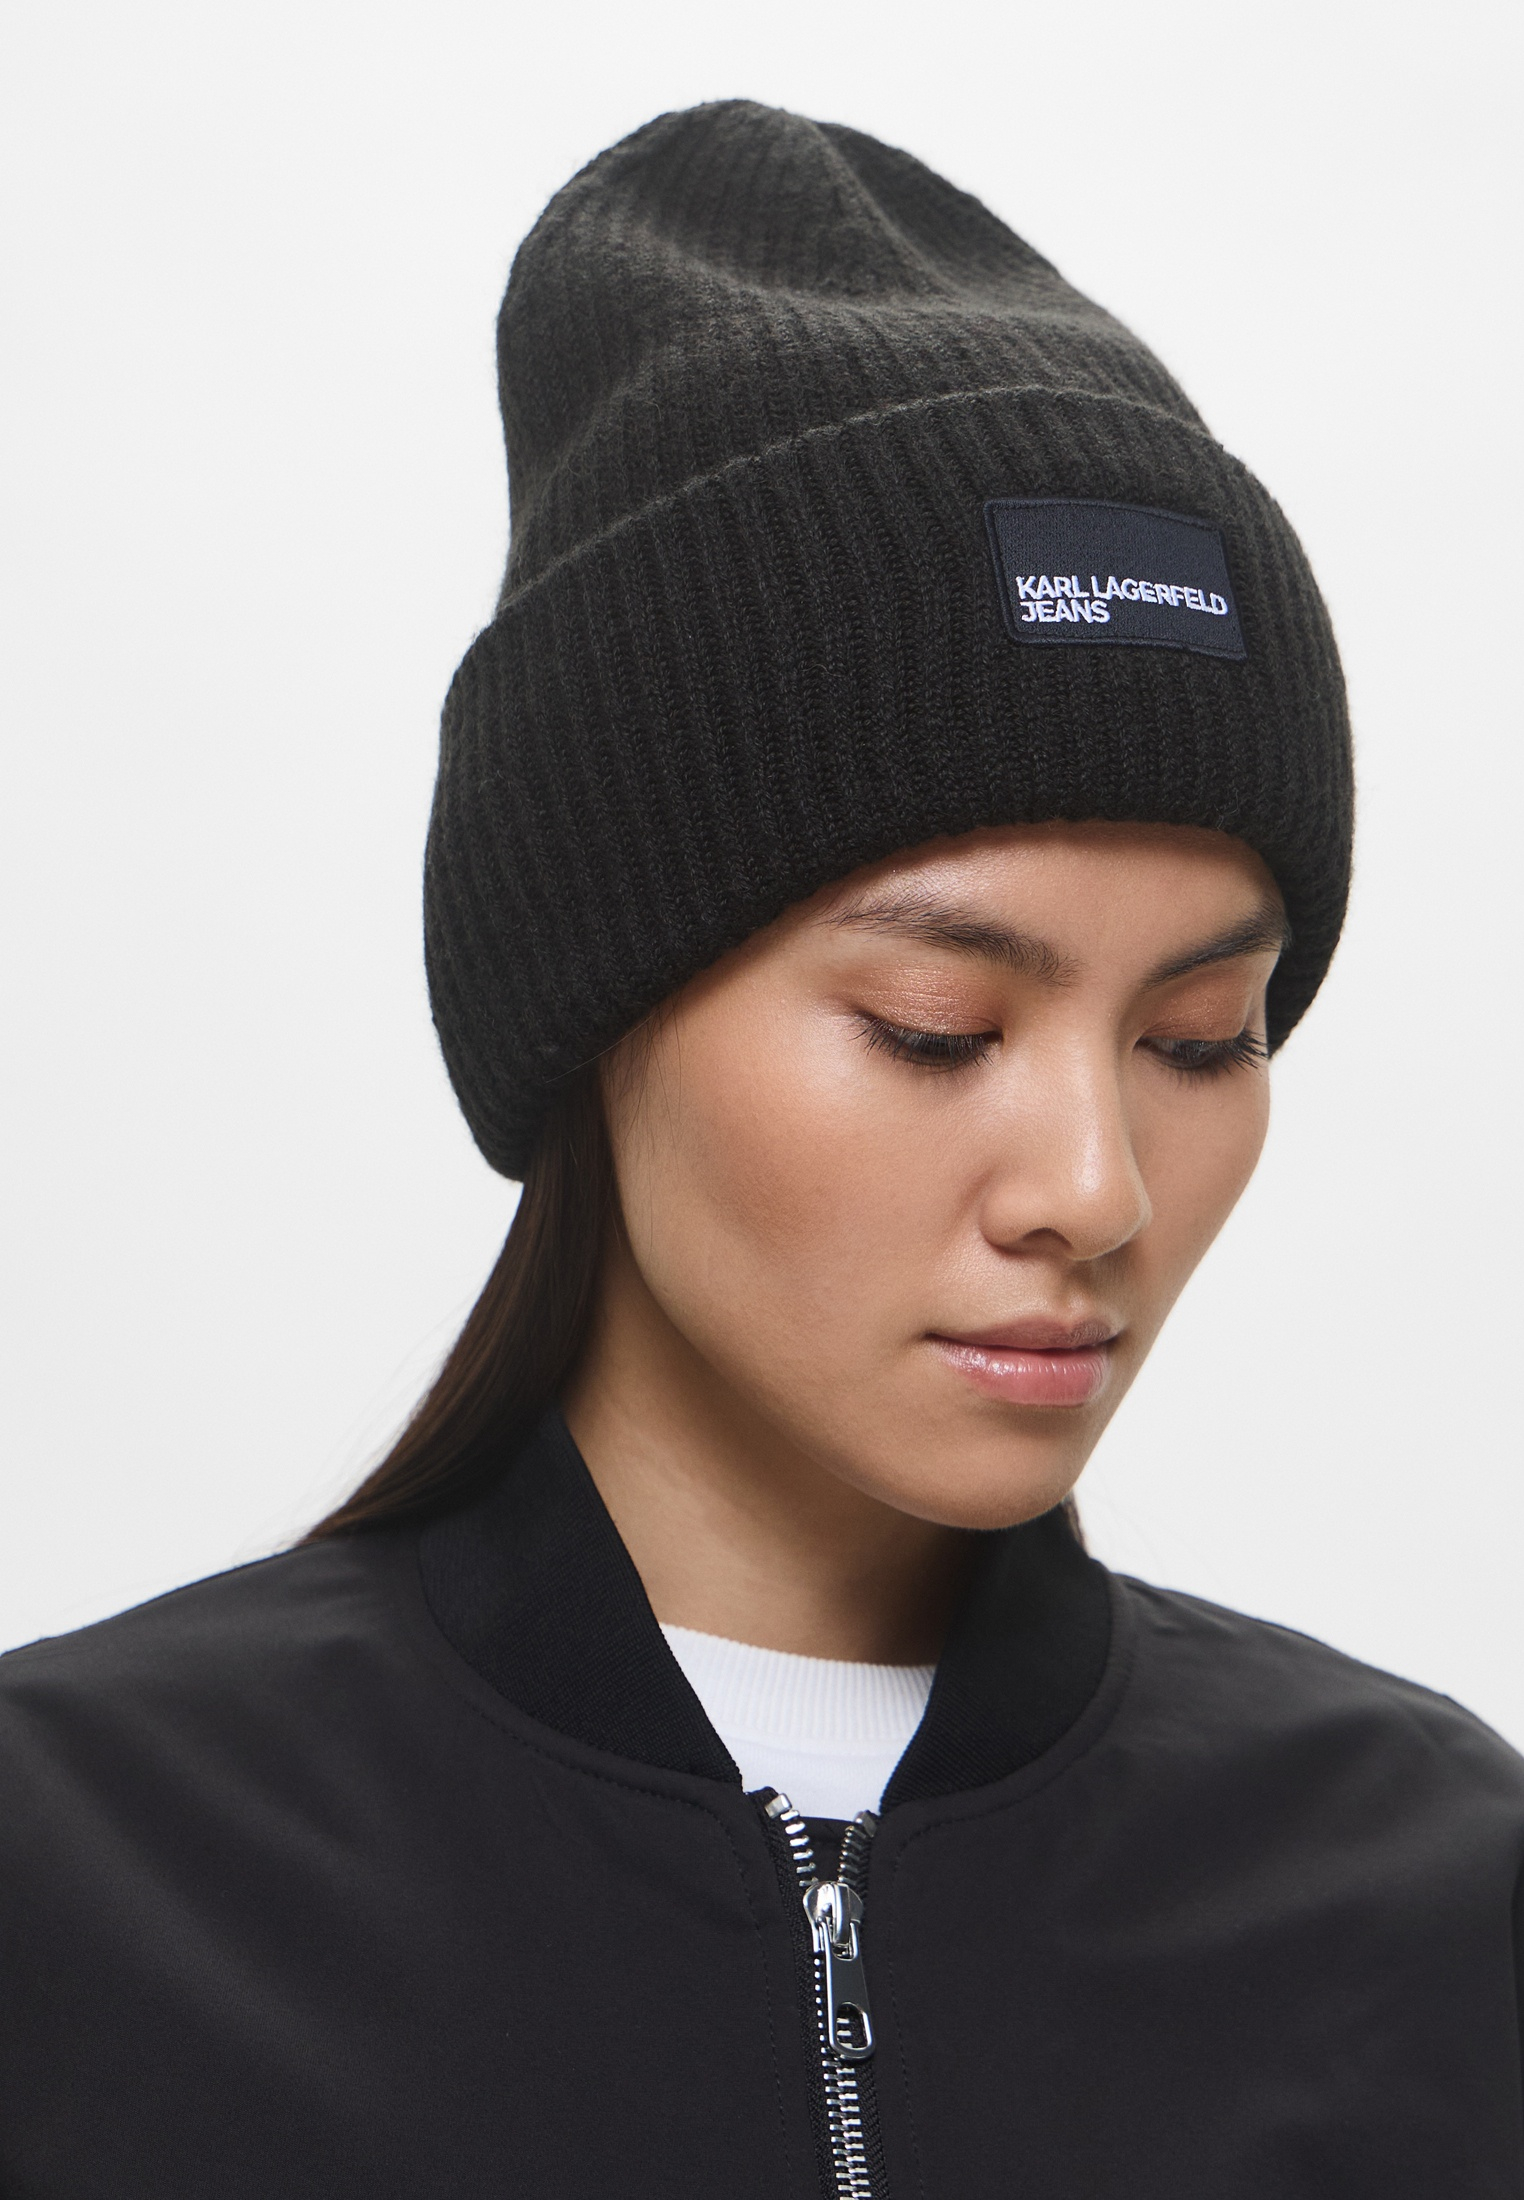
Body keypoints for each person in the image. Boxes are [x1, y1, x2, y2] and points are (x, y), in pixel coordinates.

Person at [2, 99, 1520, 2200]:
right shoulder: (74, 1888)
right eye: (936, 1028)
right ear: (596, 1005)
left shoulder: (1440, 1901)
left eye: (1201, 1036)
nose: (1095, 1186)